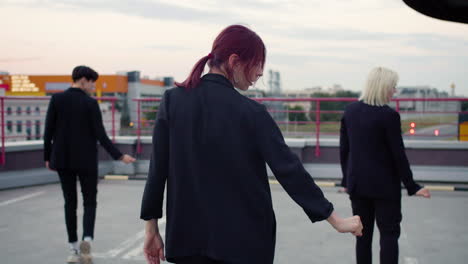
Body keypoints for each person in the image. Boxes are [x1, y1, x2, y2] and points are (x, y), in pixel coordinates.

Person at [140, 24, 363, 264]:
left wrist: (151, 229)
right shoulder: (252, 112)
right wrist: (336, 220)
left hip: (187, 240)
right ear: (235, 61)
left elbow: (157, 169)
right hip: (244, 242)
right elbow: (289, 170)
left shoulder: (172, 101)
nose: (259, 74)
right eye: (257, 64)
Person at [43, 65, 136, 263]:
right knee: (90, 201)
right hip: (86, 160)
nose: (94, 86)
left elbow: (48, 132)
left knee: (70, 202)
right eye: (92, 82)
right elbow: (101, 135)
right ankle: (87, 240)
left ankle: (73, 248)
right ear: (83, 80)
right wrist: (120, 156)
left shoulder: (57, 100)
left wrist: (48, 157)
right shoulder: (90, 104)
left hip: (62, 160)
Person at [340, 67, 431, 264]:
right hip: (385, 188)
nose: (394, 91)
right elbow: (398, 155)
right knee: (389, 236)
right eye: (393, 87)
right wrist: (412, 186)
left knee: (361, 236)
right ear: (383, 87)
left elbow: (344, 151)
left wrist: (346, 180)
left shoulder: (350, 112)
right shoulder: (389, 116)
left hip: (358, 186)